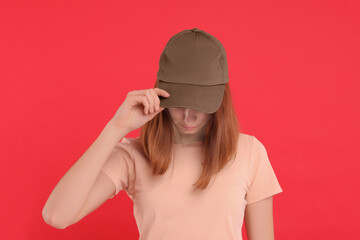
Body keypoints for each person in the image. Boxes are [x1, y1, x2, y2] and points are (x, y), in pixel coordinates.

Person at [42, 28, 283, 240]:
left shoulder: (250, 152)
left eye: (200, 105)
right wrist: (117, 127)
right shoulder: (134, 155)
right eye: (178, 103)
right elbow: (56, 216)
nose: (188, 117)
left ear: (221, 100)